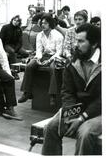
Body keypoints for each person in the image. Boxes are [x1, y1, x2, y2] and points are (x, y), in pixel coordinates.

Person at [42, 23, 101, 155]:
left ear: (94, 44)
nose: (76, 45)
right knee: (51, 128)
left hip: (100, 111)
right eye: (76, 41)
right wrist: (71, 115)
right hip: (78, 108)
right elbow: (67, 92)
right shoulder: (73, 62)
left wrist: (81, 118)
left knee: (85, 134)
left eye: (81, 41)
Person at [18, 14, 64, 106]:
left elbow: (59, 52)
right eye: (42, 23)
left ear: (50, 24)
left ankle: (52, 95)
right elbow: (39, 50)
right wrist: (38, 58)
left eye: (45, 23)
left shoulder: (58, 36)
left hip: (55, 56)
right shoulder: (39, 35)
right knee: (30, 65)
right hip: (43, 55)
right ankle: (27, 92)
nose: (43, 25)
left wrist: (50, 60)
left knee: (53, 68)